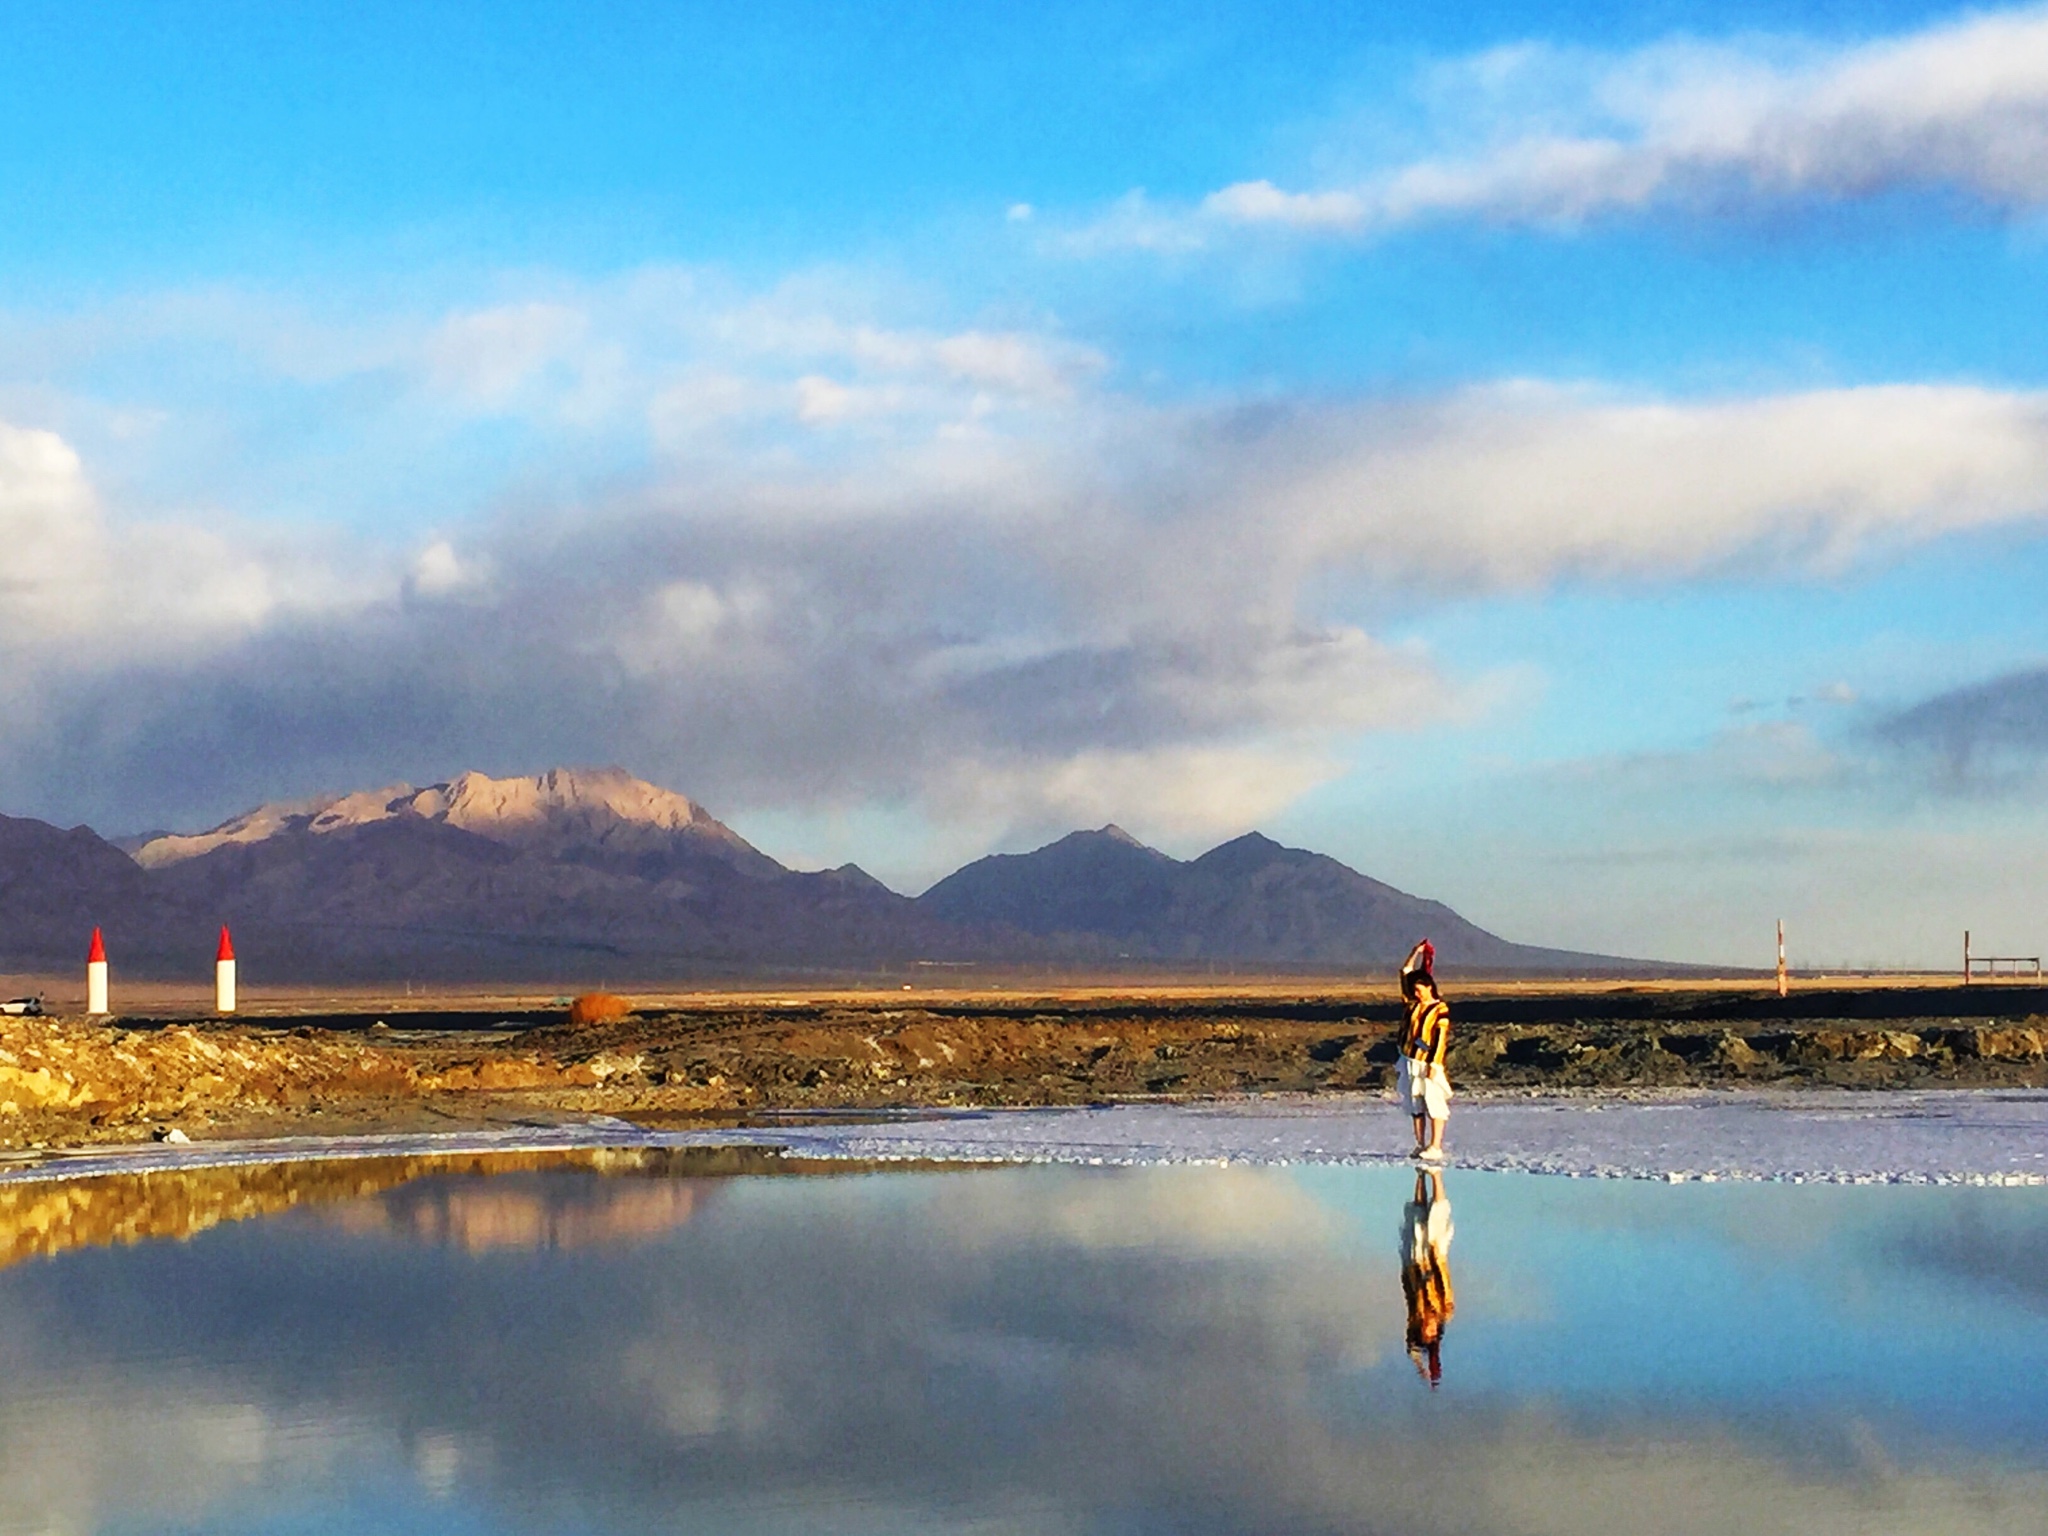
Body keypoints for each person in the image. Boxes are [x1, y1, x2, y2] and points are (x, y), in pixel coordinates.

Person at [1400, 1165, 1455, 1386]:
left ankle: (1421, 1176)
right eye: (1431, 1331)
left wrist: (1422, 1368)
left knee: (1417, 1219)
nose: (1428, 1328)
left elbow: (1411, 1349)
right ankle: (1436, 1175)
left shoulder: (1416, 1313)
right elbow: (1445, 1281)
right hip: (1435, 1259)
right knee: (1436, 1220)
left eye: (1425, 1332)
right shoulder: (1444, 1310)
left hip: (1415, 1265)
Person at [1397, 939, 1451, 1160]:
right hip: (1410, 1059)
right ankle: (1420, 1144)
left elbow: (1440, 1039)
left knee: (1434, 1101)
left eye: (1419, 990)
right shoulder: (1412, 1004)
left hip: (1428, 1061)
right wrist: (1415, 952)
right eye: (1414, 990)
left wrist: (1433, 1064)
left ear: (1429, 987)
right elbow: (1405, 971)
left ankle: (1435, 1145)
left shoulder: (1440, 1008)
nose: (1417, 994)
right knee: (1415, 1102)